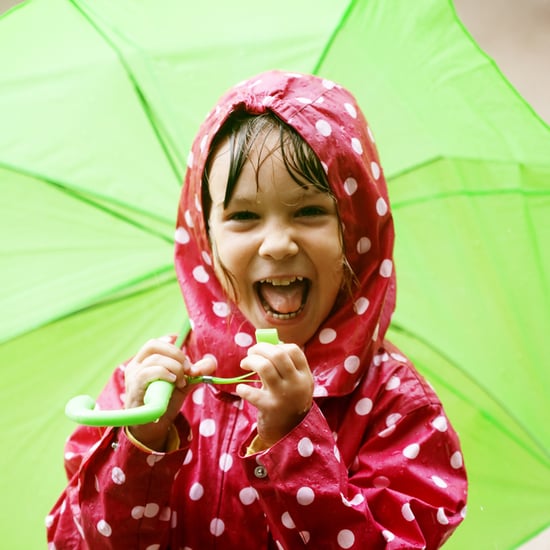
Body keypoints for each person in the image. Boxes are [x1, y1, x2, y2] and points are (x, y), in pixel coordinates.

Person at [46, 70, 467, 549]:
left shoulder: (395, 409)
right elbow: (75, 542)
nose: (278, 243)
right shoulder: (148, 392)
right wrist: (139, 443)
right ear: (205, 236)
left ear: (358, 228)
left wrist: (294, 442)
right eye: (243, 216)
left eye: (309, 211)